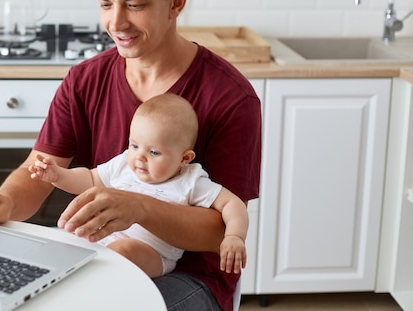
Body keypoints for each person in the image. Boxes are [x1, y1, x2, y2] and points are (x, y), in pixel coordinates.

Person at [0, 0, 261, 311]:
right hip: (98, 253)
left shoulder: (231, 97)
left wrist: (139, 207)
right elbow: (40, 169)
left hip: (190, 275)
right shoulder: (84, 79)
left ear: (176, 3)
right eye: (106, 4)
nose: (117, 22)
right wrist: (6, 203)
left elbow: (221, 231)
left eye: (135, 4)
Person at [28, 93, 249, 279]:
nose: (139, 158)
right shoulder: (125, 163)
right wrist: (58, 175)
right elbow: (89, 179)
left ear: (184, 158)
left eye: (154, 152)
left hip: (151, 253)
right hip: (101, 242)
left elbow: (232, 203)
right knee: (62, 240)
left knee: (125, 251)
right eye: (134, 145)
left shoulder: (190, 180)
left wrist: (234, 236)